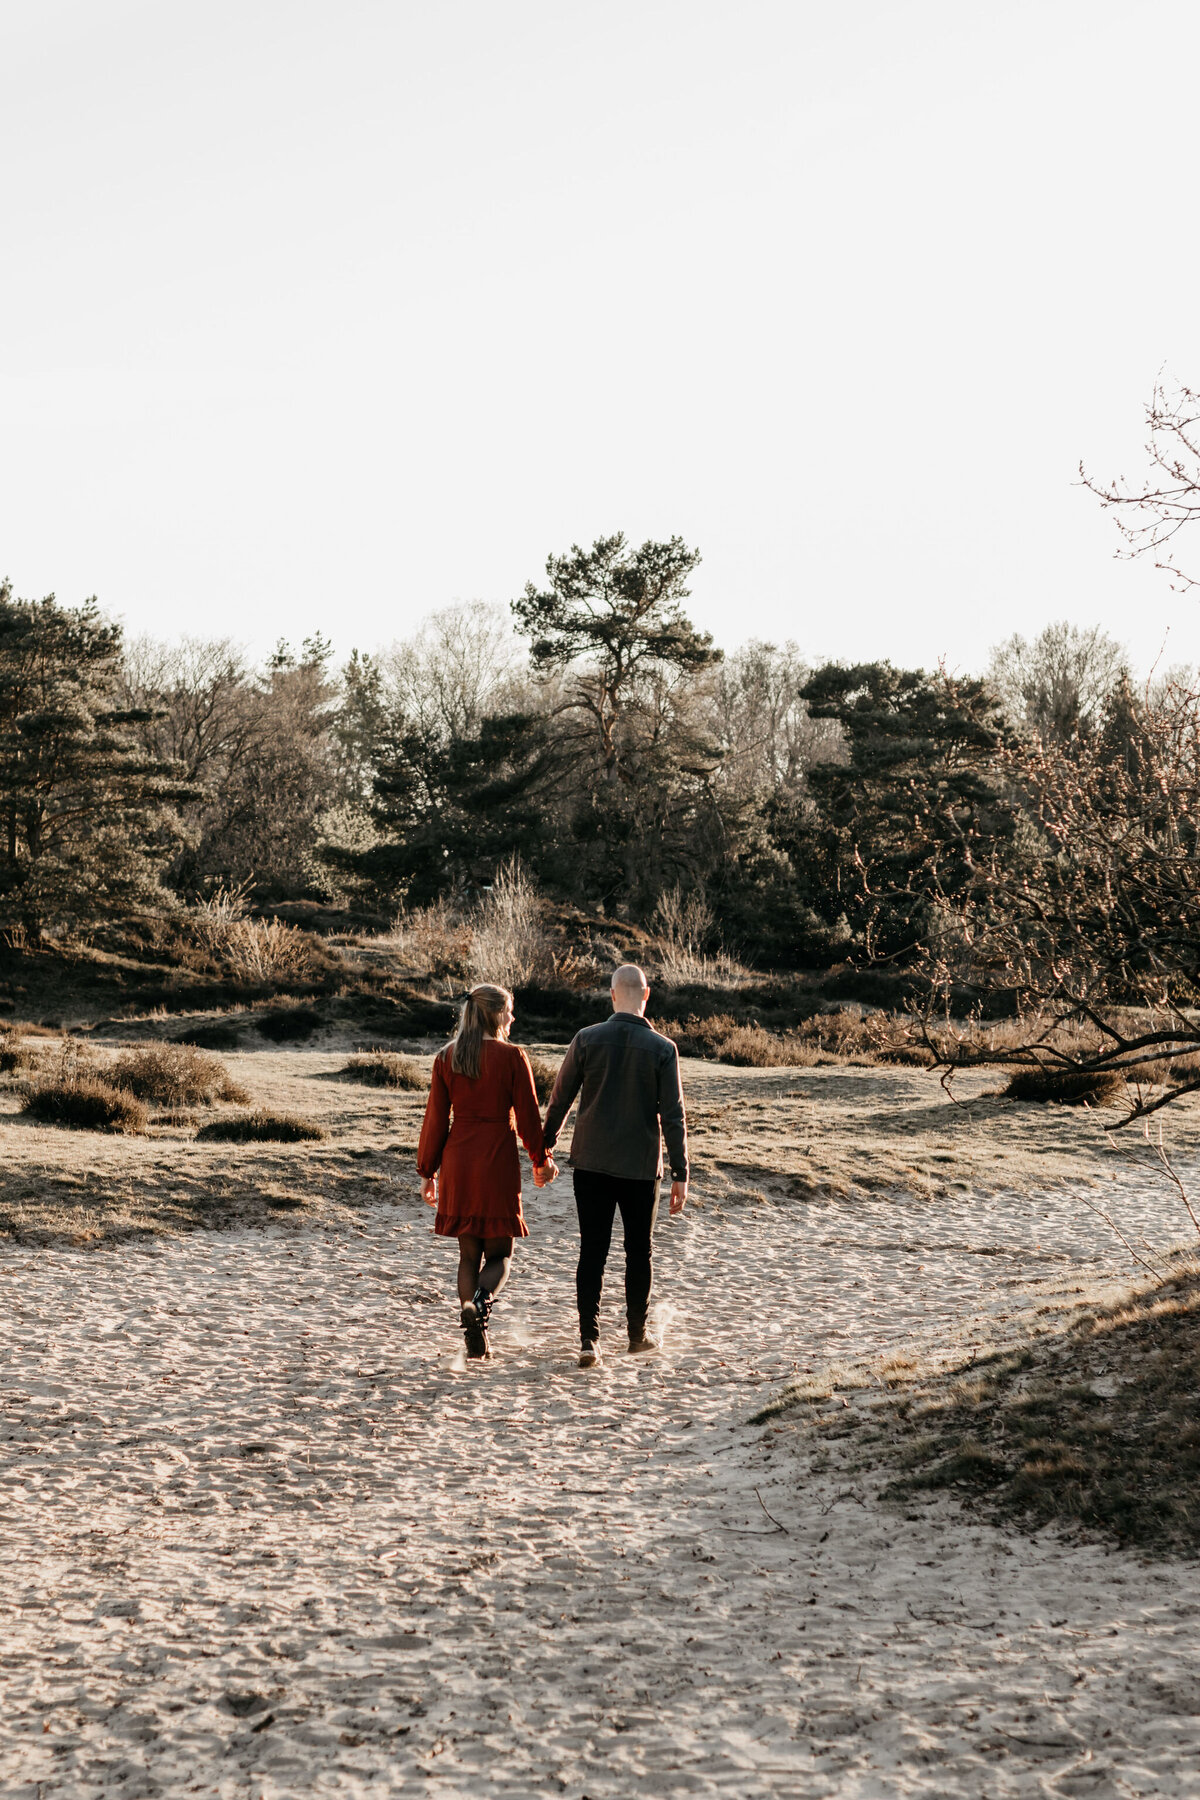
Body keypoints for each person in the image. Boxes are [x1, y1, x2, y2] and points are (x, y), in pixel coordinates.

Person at [542, 963, 688, 1368]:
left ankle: (589, 1340)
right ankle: (637, 1336)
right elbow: (673, 1115)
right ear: (646, 995)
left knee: (593, 1250)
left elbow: (560, 1099)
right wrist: (681, 1173)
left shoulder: (587, 1039)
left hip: (591, 1161)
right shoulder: (663, 1048)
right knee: (639, 1252)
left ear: (611, 995)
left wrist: (545, 1146)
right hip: (640, 1167)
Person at [417, 983, 557, 1360]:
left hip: (459, 1162)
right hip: (495, 1161)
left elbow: (434, 1121)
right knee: (501, 1255)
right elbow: (528, 1117)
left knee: (468, 1256)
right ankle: (480, 1304)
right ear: (495, 1014)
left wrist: (428, 1171)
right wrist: (541, 1160)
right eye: (509, 1011)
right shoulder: (512, 1057)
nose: (513, 1018)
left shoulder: (447, 1058)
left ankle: (471, 1313)